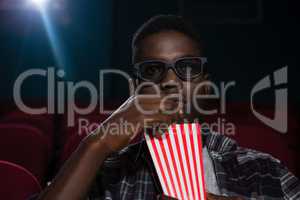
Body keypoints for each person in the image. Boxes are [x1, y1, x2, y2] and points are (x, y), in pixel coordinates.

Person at [38, 15, 300, 200]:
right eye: (153, 70)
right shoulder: (103, 176)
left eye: (187, 68)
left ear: (206, 87)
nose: (170, 82)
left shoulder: (263, 171)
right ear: (134, 91)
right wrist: (98, 143)